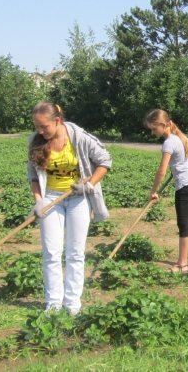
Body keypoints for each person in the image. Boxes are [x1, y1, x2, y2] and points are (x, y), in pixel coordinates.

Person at [27, 102, 111, 315]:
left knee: (75, 252)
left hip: (78, 198)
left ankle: (72, 304)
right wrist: (39, 201)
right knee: (51, 252)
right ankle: (53, 304)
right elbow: (33, 177)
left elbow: (104, 161)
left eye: (44, 126)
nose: (40, 131)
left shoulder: (79, 138)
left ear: (57, 121)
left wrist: (89, 183)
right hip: (51, 198)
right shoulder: (35, 142)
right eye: (37, 126)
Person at [145, 109, 188, 273]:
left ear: (164, 125)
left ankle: (182, 264)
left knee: (184, 225)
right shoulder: (180, 137)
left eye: (154, 128)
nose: (152, 132)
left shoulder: (169, 142)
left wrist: (154, 191)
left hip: (185, 186)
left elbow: (161, 171)